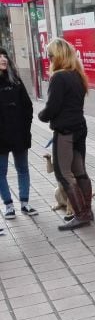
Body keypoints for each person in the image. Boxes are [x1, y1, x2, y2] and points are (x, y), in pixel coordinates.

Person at [38, 37, 94, 230]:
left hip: (65, 131)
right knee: (79, 172)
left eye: (50, 55)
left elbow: (52, 107)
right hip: (79, 128)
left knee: (64, 174)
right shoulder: (77, 75)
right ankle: (87, 211)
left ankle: (81, 215)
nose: (49, 59)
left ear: (58, 56)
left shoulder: (59, 77)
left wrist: (42, 115)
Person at [0, 48, 38, 220]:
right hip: (1, 137)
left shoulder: (15, 80)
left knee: (22, 168)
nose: (3, 59)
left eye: (5, 56)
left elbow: (28, 106)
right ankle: (8, 205)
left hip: (19, 134)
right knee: (1, 172)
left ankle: (24, 203)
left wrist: (25, 127)